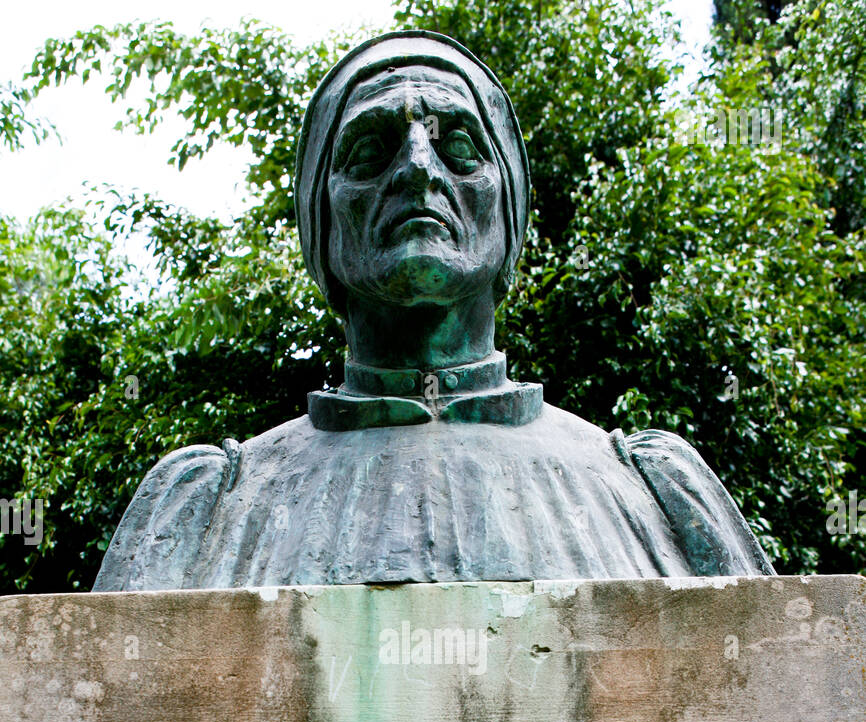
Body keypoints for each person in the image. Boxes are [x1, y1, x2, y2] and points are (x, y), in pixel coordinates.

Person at [94, 30, 774, 591]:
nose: (418, 169)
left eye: (459, 148)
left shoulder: (654, 496)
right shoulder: (202, 512)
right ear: (319, 226)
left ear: (510, 218)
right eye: (368, 150)